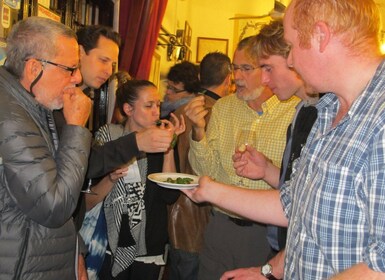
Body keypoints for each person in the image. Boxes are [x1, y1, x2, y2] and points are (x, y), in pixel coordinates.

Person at [183, 0, 385, 278]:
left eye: (290, 47)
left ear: (320, 36)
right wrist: (269, 269)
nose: (290, 61)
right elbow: (296, 208)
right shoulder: (326, 112)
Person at [184, 36, 300, 279]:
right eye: (234, 68)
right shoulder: (224, 108)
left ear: (267, 70)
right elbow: (207, 172)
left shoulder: (295, 111)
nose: (237, 76)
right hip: (221, 225)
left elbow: (298, 184)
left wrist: (267, 169)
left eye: (246, 68)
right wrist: (198, 131)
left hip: (269, 233)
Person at [221, 20, 319, 280]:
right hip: (286, 250)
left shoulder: (322, 112)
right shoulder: (303, 110)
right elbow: (299, 194)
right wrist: (267, 170)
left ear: (295, 56)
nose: (264, 79)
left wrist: (208, 189)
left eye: (267, 68)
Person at [0, 17, 91, 279]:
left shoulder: (30, 102)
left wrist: (77, 252)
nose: (78, 78)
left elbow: (54, 179)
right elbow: (53, 206)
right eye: (70, 68)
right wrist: (76, 129)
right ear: (34, 68)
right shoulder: (11, 119)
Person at [80, 79, 185, 279]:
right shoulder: (109, 138)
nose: (156, 111)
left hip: (148, 244)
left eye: (158, 105)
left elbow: (169, 195)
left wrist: (169, 146)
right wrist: (110, 179)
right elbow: (87, 201)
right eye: (148, 106)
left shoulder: (160, 138)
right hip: (109, 241)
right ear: (128, 108)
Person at [167, 52, 232, 280]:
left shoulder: (180, 109)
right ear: (228, 80)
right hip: (200, 218)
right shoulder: (220, 113)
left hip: (174, 210)